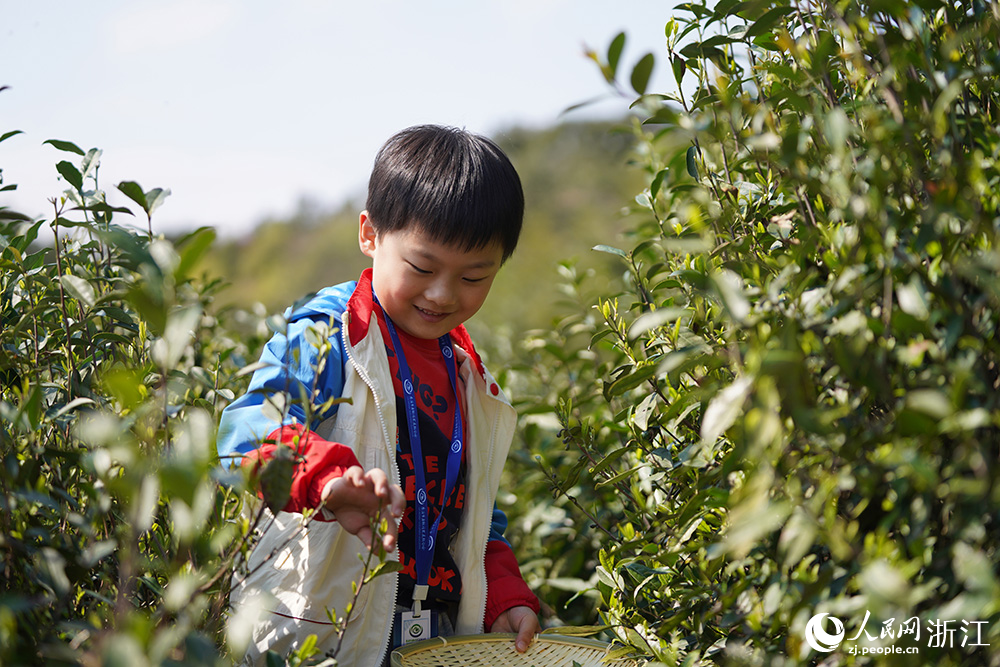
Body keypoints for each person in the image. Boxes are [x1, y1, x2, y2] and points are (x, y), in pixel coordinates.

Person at [217, 125, 541, 667]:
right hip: (325, 631)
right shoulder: (327, 338)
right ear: (370, 235)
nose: (442, 294)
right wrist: (327, 480)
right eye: (422, 268)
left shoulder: (466, 375)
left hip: (431, 636)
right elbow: (244, 437)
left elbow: (474, 514)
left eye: (474, 276)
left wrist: (503, 597)